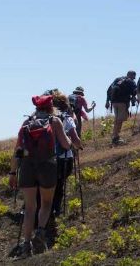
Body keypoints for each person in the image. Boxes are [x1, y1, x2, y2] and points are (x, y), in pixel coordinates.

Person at [9, 95, 72, 257]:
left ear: (36, 107)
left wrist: (13, 172)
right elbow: (65, 144)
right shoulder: (54, 121)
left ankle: (26, 245)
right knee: (46, 203)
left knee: (29, 208)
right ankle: (41, 232)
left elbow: (18, 151)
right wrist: (71, 142)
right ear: (51, 107)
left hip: (28, 167)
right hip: (47, 166)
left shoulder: (26, 123)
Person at [50, 93, 83, 223]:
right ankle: (55, 210)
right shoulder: (66, 118)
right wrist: (79, 146)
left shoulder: (45, 118)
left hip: (44, 158)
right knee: (59, 185)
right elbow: (75, 138)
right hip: (63, 157)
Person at [105, 70, 137, 145]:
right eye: (134, 76)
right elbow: (135, 91)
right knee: (120, 120)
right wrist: (133, 98)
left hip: (114, 102)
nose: (134, 78)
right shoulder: (131, 81)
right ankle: (116, 137)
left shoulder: (117, 79)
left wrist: (107, 101)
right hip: (123, 102)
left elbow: (109, 90)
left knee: (117, 119)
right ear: (132, 75)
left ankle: (115, 136)